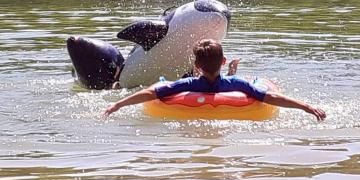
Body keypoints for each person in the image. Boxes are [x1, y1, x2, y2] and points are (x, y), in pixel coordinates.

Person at [104, 39, 326, 120]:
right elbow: (271, 97)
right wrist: (306, 107)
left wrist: (117, 104)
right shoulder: (238, 85)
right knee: (233, 80)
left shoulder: (188, 84)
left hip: (209, 86)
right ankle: (233, 69)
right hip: (227, 85)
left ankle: (233, 69)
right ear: (222, 60)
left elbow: (152, 92)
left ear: (196, 66)